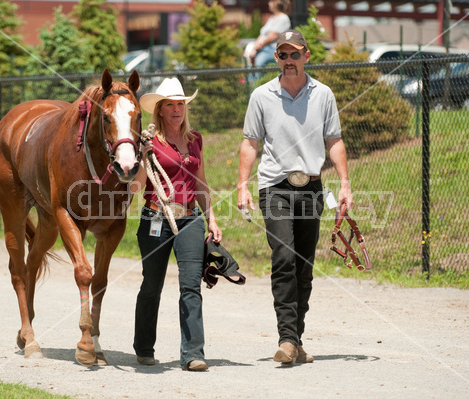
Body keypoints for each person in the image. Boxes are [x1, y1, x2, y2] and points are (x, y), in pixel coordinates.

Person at [237, 30, 353, 366]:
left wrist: (344, 185)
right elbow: (250, 143)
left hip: (312, 188)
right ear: (276, 58)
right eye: (283, 55)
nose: (289, 61)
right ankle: (287, 339)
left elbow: (335, 141)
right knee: (284, 257)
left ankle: (296, 340)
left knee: (303, 267)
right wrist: (243, 184)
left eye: (295, 54)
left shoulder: (324, 95)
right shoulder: (261, 96)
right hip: (275, 187)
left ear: (307, 55)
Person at [131, 77, 222, 371]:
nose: (175, 109)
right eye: (169, 104)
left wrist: (212, 219)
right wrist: (141, 161)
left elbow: (201, 182)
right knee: (152, 285)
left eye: (179, 104)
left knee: (191, 286)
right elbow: (135, 190)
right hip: (156, 216)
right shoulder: (150, 143)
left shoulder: (195, 140)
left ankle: (193, 354)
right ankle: (144, 348)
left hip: (190, 218)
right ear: (159, 110)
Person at [245, 0, 291, 68]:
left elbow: (272, 36)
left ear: (275, 4)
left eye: (271, 2)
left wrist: (259, 47)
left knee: (259, 62)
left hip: (273, 49)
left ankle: (257, 79)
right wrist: (255, 47)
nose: (269, 4)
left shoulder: (283, 18)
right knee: (248, 63)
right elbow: (262, 33)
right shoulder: (272, 18)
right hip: (263, 48)